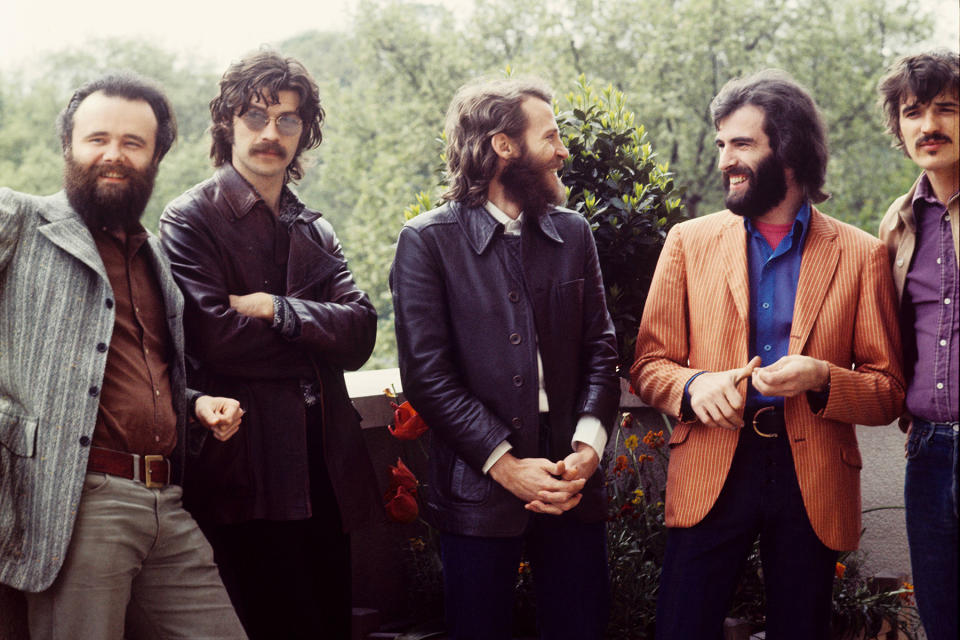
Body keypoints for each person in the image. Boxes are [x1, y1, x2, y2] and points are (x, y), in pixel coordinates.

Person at [631, 70, 905, 640]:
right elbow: (648, 364)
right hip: (712, 462)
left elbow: (887, 391)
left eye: (742, 144)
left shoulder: (862, 255)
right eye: (721, 144)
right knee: (681, 626)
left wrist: (821, 377)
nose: (725, 159)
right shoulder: (687, 241)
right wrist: (693, 387)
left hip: (812, 471)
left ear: (789, 149)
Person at [0, 73, 247, 639]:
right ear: (68, 146)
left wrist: (196, 403)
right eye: (97, 139)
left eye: (133, 143)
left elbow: (128, 374)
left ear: (156, 155)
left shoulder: (153, 255)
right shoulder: (21, 221)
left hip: (167, 502)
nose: (114, 154)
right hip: (76, 504)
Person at [159, 50, 380, 640]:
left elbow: (360, 334)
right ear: (227, 124)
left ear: (304, 130)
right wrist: (316, 331)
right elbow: (216, 339)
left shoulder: (315, 225)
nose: (270, 132)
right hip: (247, 471)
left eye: (287, 119)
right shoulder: (189, 219)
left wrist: (276, 309)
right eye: (255, 116)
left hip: (327, 468)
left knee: (330, 625)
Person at [390, 77, 620, 640]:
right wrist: (505, 465)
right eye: (553, 136)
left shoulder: (574, 232)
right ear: (504, 146)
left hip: (572, 478)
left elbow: (601, 347)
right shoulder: (426, 241)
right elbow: (428, 375)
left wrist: (589, 448)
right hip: (478, 483)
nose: (564, 150)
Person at [876, 50, 959, 640]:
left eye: (947, 109)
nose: (929, 125)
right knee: (941, 620)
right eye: (914, 112)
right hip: (927, 454)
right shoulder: (899, 223)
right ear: (900, 129)